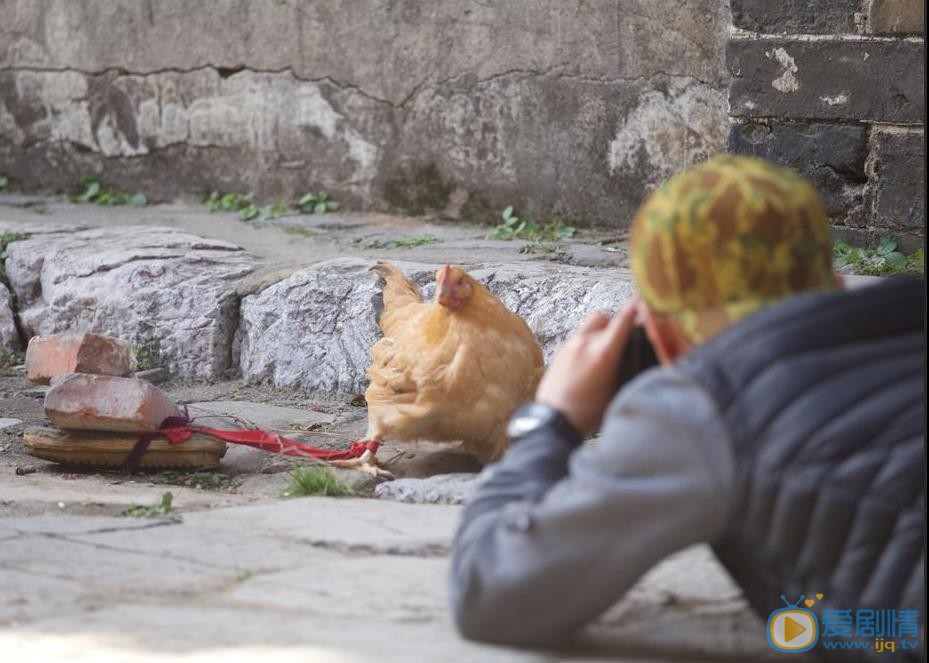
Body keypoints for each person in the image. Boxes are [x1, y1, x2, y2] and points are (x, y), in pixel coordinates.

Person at [449, 155, 925, 659]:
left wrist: (551, 421)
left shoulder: (703, 407)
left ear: (662, 327)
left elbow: (491, 590)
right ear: (829, 277)